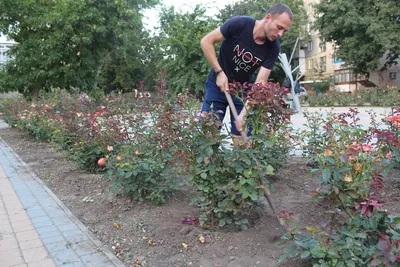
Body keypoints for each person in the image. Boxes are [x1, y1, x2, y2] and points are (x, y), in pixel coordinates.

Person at [200, 3, 293, 142]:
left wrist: (245, 112)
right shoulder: (240, 24)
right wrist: (219, 72)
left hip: (242, 91)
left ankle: (239, 161)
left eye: (284, 31)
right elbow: (206, 41)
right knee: (208, 135)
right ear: (268, 18)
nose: (280, 34)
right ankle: (207, 163)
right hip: (216, 84)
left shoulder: (273, 47)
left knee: (242, 139)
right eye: (279, 27)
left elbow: (260, 83)